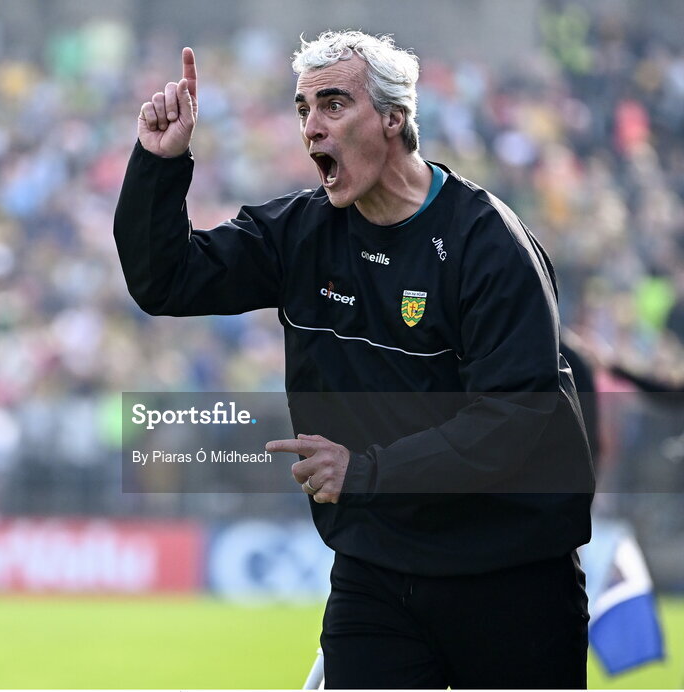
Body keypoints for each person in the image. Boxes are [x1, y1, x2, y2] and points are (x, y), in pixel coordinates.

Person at [115, 32, 594, 688]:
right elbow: (165, 280)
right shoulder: (300, 234)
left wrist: (366, 471)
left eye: (334, 104)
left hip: (510, 573)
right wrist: (158, 166)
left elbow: (514, 420)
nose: (311, 127)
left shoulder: (488, 246)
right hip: (376, 570)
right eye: (303, 109)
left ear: (395, 117)